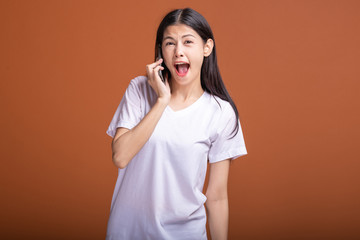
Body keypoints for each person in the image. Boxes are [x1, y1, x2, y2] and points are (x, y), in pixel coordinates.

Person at [105, 8, 247, 240]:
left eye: (188, 42)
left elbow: (217, 196)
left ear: (207, 47)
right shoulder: (140, 90)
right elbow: (120, 156)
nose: (178, 52)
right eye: (169, 43)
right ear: (161, 50)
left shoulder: (221, 113)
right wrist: (162, 101)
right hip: (128, 232)